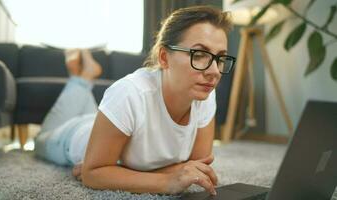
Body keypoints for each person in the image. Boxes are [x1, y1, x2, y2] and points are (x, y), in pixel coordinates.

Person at [34, 5, 235, 196]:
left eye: (220, 58)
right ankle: (81, 78)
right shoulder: (130, 92)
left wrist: (119, 172)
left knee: (91, 109)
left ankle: (83, 77)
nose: (214, 71)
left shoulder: (204, 93)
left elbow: (196, 166)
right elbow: (93, 174)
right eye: (199, 55)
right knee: (40, 140)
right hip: (72, 137)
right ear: (164, 58)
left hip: (109, 124)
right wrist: (167, 181)